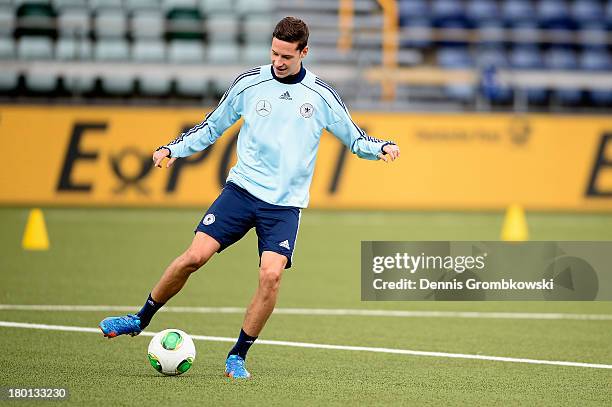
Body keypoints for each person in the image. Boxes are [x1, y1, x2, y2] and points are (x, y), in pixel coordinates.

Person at [99, 16, 400, 379]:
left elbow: (355, 139)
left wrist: (381, 147)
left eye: (287, 56)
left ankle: (237, 356)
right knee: (193, 257)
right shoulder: (249, 83)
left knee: (271, 276)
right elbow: (212, 125)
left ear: (304, 52)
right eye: (274, 52)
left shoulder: (321, 96)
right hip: (241, 192)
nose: (278, 61)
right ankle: (139, 318)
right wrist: (173, 149)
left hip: (284, 206)